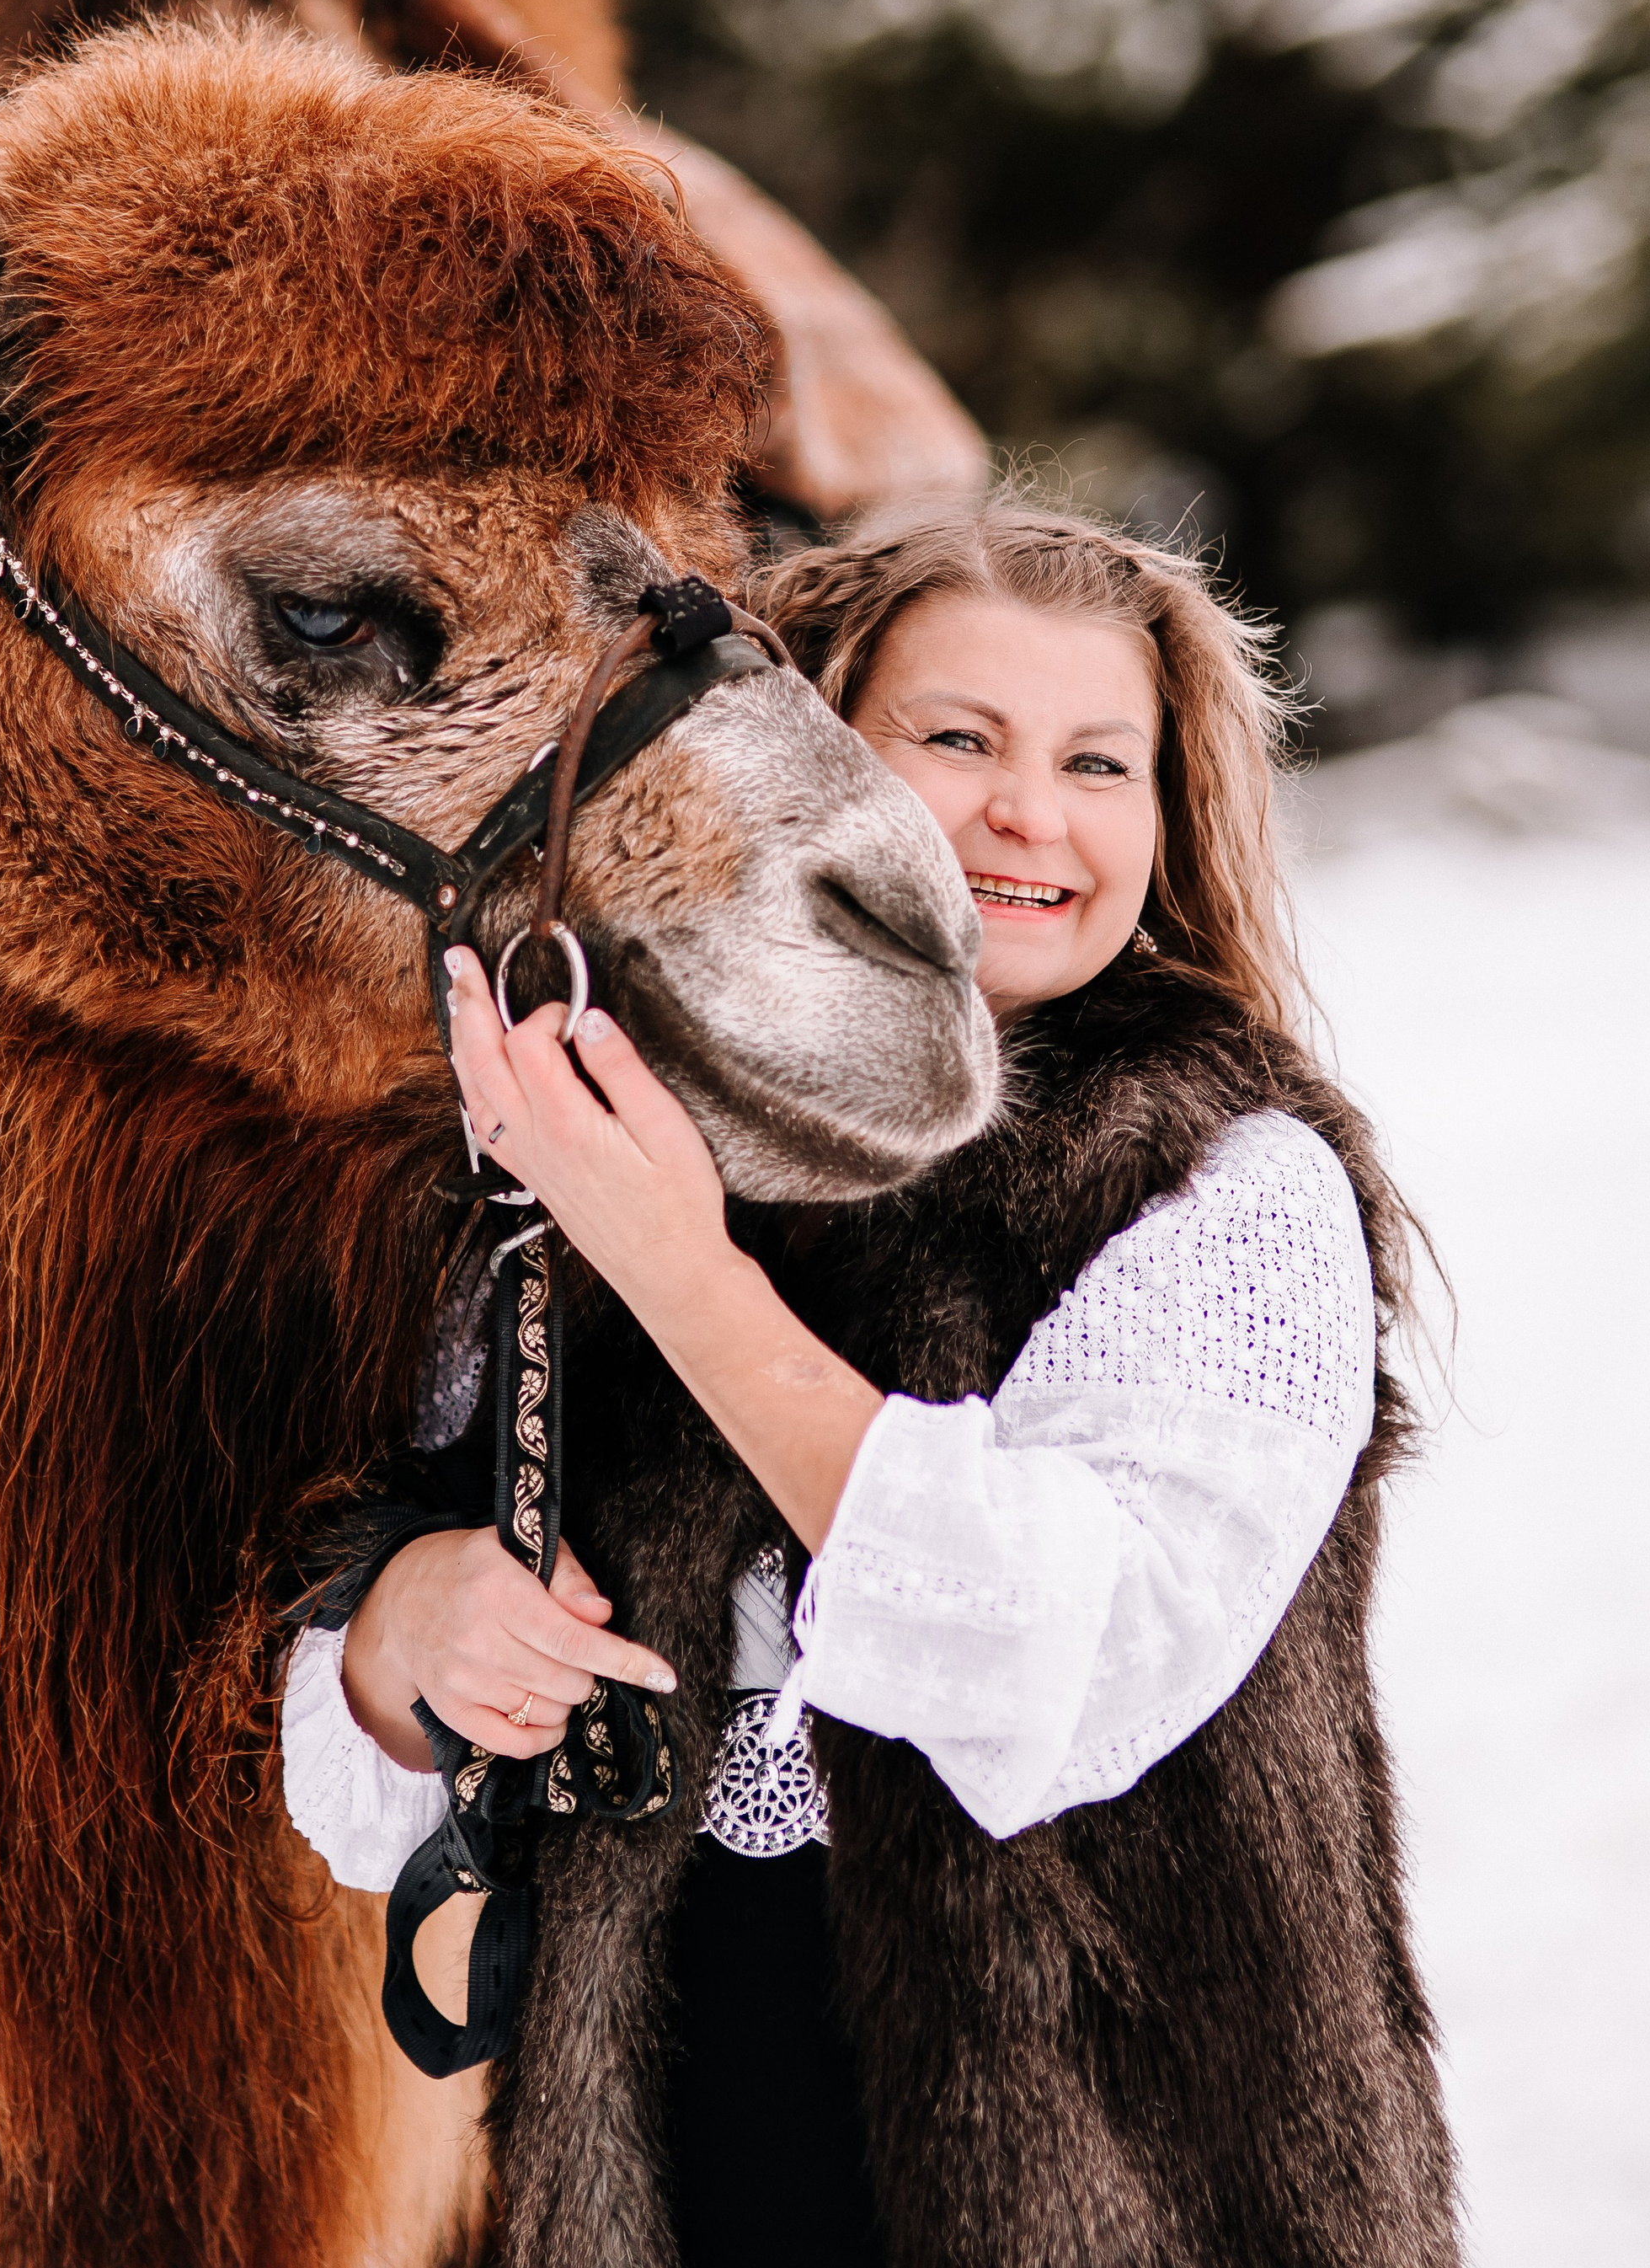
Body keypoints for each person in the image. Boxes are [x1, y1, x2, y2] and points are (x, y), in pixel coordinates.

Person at [280, 492, 1459, 2268]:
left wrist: (678, 1270)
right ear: (807, 760)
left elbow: (1064, 1653)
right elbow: (373, 1718)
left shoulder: (1220, 1177)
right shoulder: (597, 1138)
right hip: (664, 2162)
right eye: (956, 738)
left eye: (1096, 761)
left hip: (1138, 2180)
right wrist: (398, 1634)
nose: (1029, 813)